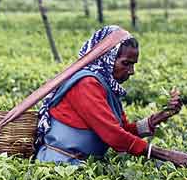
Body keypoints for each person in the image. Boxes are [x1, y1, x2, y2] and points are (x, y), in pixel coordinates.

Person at [35, 25, 187, 166]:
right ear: (107, 58)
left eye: (133, 64)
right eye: (126, 63)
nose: (132, 71)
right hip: (59, 165)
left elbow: (124, 130)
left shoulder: (105, 85)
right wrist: (167, 155)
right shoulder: (86, 84)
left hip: (81, 165)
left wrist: (162, 115)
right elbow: (114, 135)